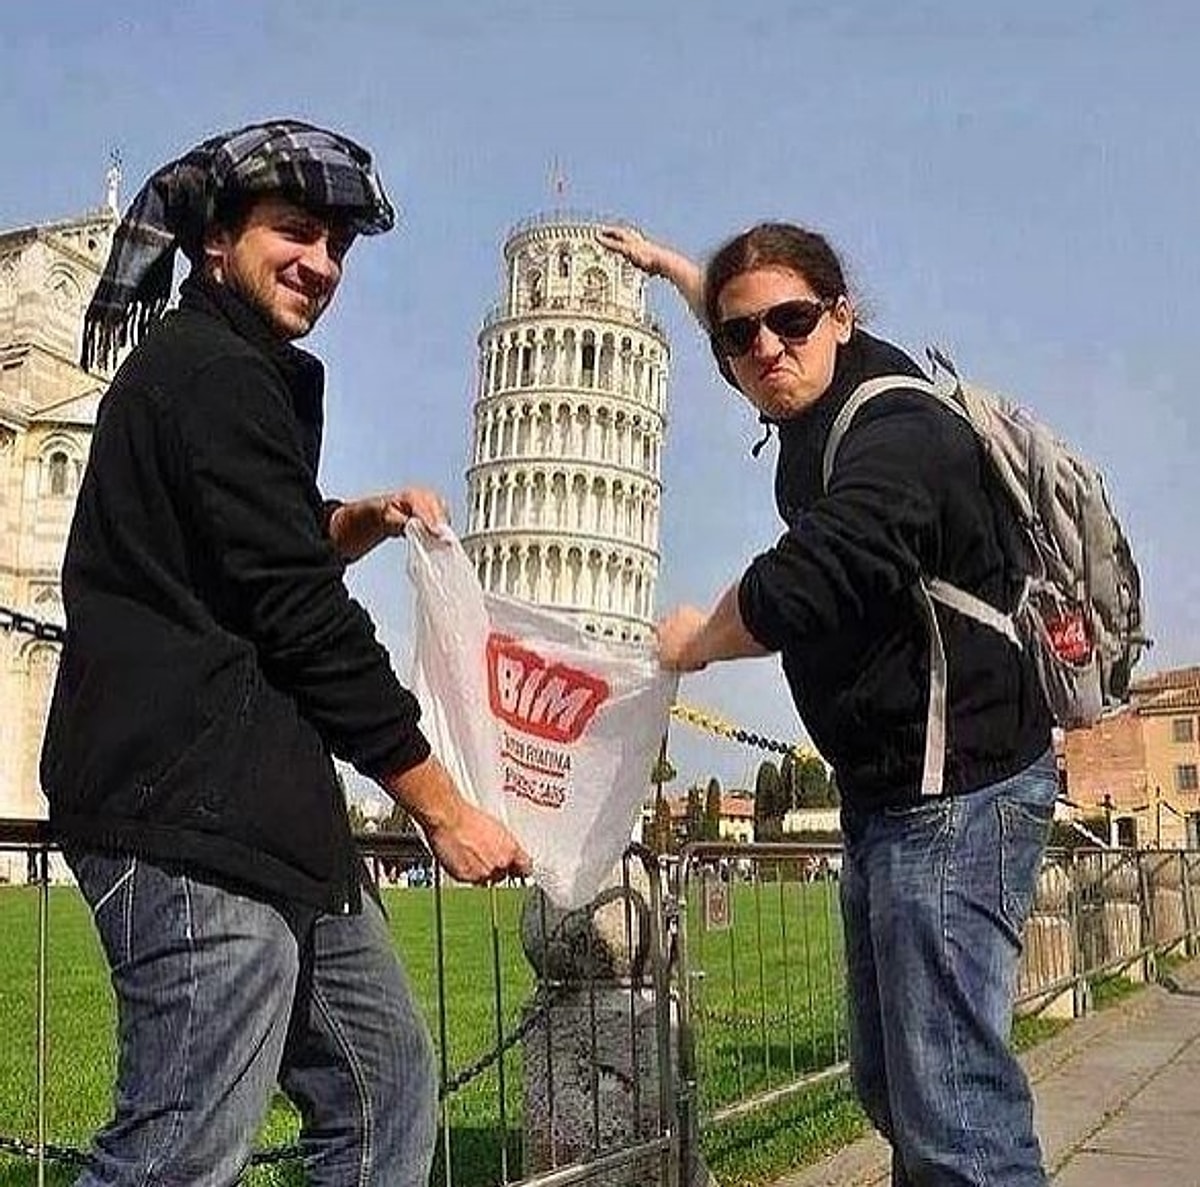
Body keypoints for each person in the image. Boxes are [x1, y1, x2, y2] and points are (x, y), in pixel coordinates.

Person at [41, 120, 530, 1187]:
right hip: (186, 808)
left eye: (337, 245)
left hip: (263, 812)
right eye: (295, 231)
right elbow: (300, 613)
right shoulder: (208, 372)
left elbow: (254, 544)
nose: (322, 262)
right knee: (176, 1152)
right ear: (217, 242)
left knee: (383, 1089)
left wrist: (353, 520)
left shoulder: (233, 373)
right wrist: (440, 806)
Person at [600, 222, 1055, 1186]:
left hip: (956, 792)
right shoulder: (805, 392)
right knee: (898, 1089)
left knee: (957, 1114)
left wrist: (697, 639)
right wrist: (675, 269)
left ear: (841, 315)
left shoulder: (900, 430)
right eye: (740, 336)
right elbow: (743, 324)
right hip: (892, 798)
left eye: (792, 321)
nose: (766, 347)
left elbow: (817, 571)